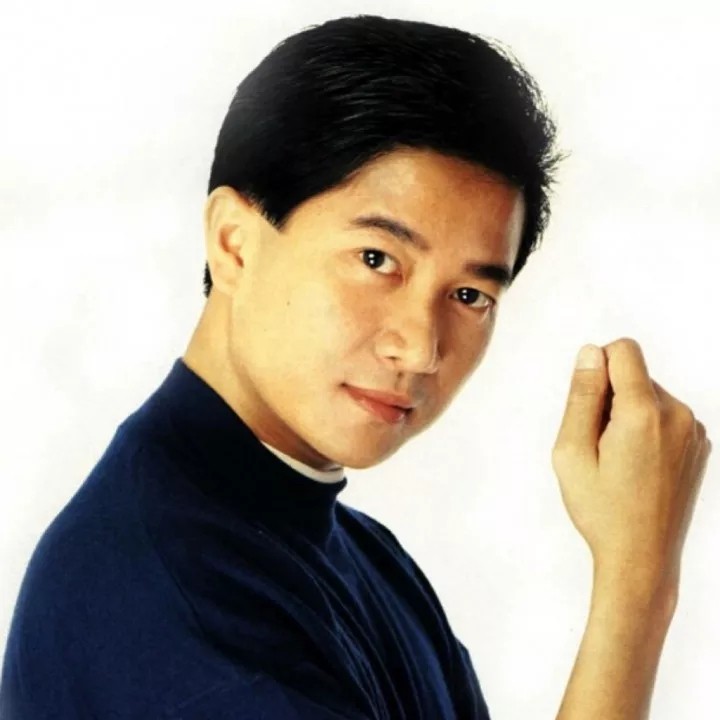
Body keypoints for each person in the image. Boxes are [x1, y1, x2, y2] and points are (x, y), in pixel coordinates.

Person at [0, 14, 711, 720]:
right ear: (234, 243)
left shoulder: (367, 562)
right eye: (377, 260)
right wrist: (636, 583)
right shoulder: (163, 590)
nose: (420, 347)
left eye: (469, 295)